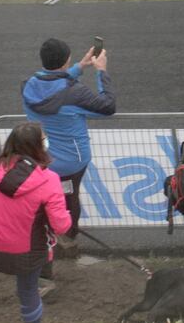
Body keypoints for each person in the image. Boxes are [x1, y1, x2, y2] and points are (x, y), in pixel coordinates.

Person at [21, 37, 115, 294]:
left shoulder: (29, 85)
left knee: (44, 211)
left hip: (42, 159)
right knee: (68, 203)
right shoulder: (76, 93)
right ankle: (67, 241)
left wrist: (78, 68)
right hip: (71, 163)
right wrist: (101, 71)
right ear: (65, 60)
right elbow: (108, 106)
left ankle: (51, 256)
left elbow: (53, 89)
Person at [0, 122, 72, 323]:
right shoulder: (48, 179)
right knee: (28, 292)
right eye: (44, 139)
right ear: (38, 145)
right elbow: (61, 225)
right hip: (26, 251)